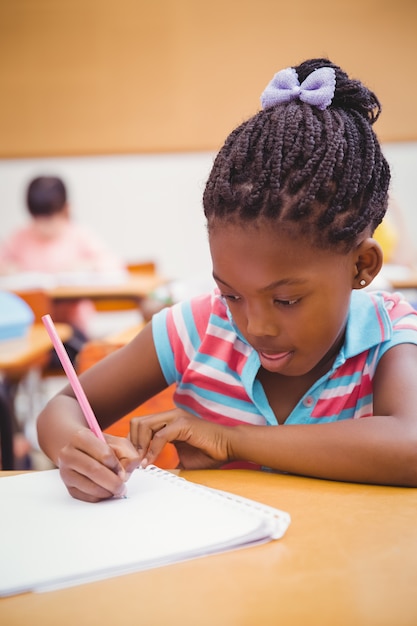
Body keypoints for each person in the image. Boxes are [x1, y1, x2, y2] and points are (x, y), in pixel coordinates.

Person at [37, 58, 417, 502]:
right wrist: (74, 451)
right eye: (231, 293)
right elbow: (60, 408)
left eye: (287, 300)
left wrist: (229, 439)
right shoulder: (196, 330)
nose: (255, 325)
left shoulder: (388, 335)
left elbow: (410, 447)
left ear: (362, 267)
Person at [0, 176, 124, 356]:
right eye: (37, 219)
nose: (43, 226)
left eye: (50, 218)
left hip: (71, 327)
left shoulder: (79, 235)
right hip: (30, 330)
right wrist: (7, 269)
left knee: (80, 354)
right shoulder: (21, 237)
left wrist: (87, 265)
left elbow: (114, 265)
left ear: (66, 209)